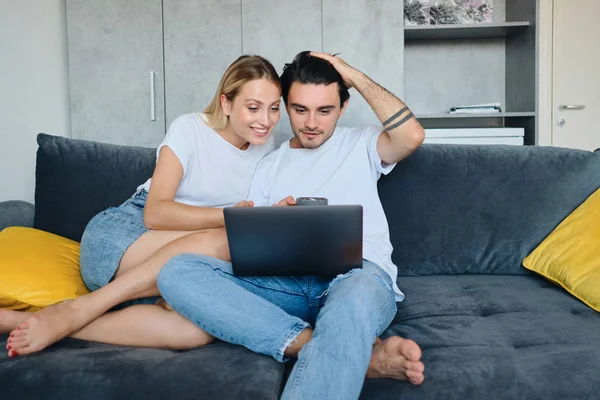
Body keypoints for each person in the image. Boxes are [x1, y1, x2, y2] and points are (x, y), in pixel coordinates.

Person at [154, 51, 426, 399]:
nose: (311, 122)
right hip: (288, 284)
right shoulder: (269, 164)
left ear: (342, 108)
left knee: (354, 297)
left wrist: (353, 76)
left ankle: (341, 342)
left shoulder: (363, 144)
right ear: (285, 105)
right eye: (300, 110)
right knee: (178, 271)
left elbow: (412, 136)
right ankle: (347, 349)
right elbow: (248, 240)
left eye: (324, 110)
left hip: (359, 276)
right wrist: (274, 221)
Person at [1, 54, 282, 356]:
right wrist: (228, 217)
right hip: (123, 238)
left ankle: (35, 320)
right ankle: (80, 308)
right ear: (226, 103)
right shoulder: (191, 129)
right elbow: (156, 212)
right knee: (221, 240)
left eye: (274, 108)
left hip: (165, 268)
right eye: (253, 108)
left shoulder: (265, 145)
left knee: (194, 331)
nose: (265, 121)